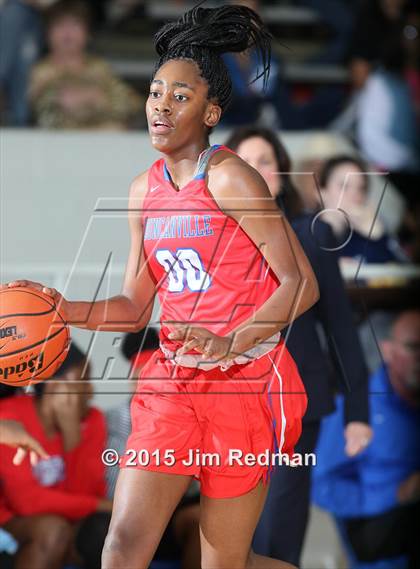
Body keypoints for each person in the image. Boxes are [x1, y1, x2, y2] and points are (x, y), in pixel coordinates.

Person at [1, 5, 320, 568]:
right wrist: (59, 308)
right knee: (122, 547)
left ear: (210, 110)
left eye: (180, 95)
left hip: (243, 384)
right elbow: (133, 307)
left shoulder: (229, 177)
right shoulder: (142, 192)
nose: (161, 106)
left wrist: (232, 340)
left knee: (225, 563)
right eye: (154, 93)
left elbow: (301, 285)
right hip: (172, 382)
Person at [225, 126, 372, 566]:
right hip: (230, 408)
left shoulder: (311, 235)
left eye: (266, 160)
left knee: (277, 532)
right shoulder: (214, 239)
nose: (256, 169)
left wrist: (358, 413)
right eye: (245, 161)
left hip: (294, 405)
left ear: (282, 173)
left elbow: (341, 329)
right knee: (234, 540)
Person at [312, 309, 420, 569]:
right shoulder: (357, 408)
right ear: (388, 350)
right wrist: (396, 493)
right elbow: (319, 486)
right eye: (413, 347)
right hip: (379, 527)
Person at [0, 342, 111, 569]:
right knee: (53, 529)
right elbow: (26, 503)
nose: (90, 390)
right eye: (82, 380)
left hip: (67, 520)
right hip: (12, 519)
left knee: (109, 531)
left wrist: (72, 438)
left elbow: (86, 495)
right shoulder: (10, 417)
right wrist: (101, 504)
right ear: (54, 387)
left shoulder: (92, 420)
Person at [106, 326, 201, 569]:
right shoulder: (114, 419)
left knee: (201, 520)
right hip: (126, 512)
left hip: (177, 511)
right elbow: (112, 483)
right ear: (133, 378)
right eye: (144, 376)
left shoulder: (192, 416)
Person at [28, 0, 142, 129]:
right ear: (47, 33)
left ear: (87, 33)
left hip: (104, 137)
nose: (67, 33)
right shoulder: (41, 73)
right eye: (60, 25)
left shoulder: (99, 69)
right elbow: (43, 114)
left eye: (75, 25)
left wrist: (97, 98)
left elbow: (131, 104)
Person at [318, 155, 409, 266]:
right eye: (344, 186)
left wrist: (377, 236)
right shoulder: (302, 232)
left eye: (361, 188)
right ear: (321, 192)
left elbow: (400, 272)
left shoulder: (363, 236)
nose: (354, 195)